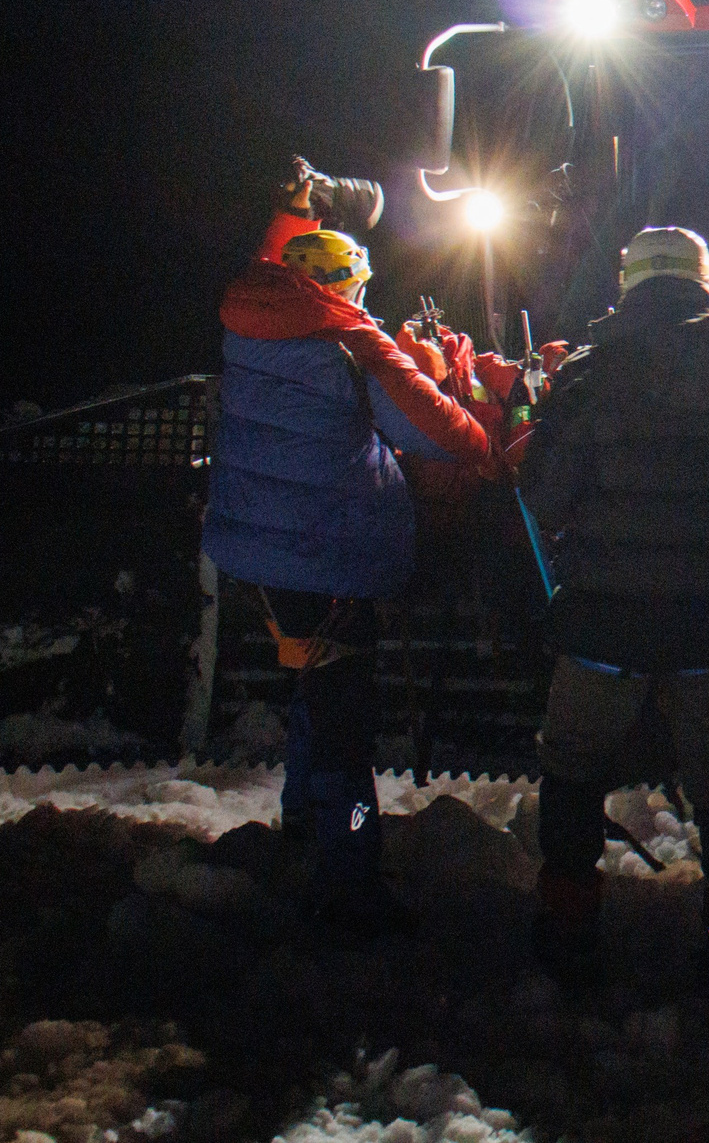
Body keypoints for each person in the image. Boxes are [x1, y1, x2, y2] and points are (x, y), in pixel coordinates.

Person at [202, 163, 495, 936]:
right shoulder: (352, 342)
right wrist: (477, 421)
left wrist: (295, 208)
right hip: (328, 552)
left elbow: (275, 265)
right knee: (345, 719)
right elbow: (445, 433)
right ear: (352, 289)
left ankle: (305, 818)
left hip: (260, 551)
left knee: (313, 682)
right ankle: (351, 871)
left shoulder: (251, 320)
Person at [519, 227, 709, 995]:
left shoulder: (590, 372)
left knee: (573, 768)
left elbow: (544, 493)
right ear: (703, 280)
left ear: (629, 282)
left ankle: (570, 924)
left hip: (607, 620)